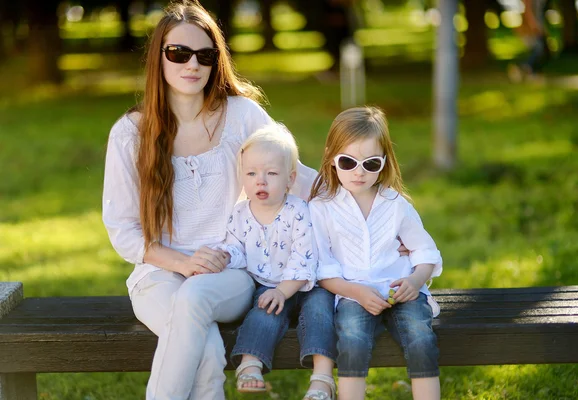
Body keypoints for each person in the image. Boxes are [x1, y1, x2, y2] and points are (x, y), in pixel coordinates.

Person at [101, 1, 317, 399]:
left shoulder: (242, 116)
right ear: (159, 59)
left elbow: (299, 178)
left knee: (196, 298)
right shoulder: (130, 133)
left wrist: (371, 210)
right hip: (158, 274)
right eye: (179, 53)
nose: (192, 64)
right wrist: (183, 262)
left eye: (205, 55)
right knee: (207, 350)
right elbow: (123, 230)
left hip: (229, 271)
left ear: (217, 61)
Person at [308, 106, 443, 400]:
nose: (359, 172)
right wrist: (355, 292)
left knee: (421, 339)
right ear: (331, 158)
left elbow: (426, 251)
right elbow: (322, 269)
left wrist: (416, 281)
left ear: (383, 162)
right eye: (348, 161)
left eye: (370, 164)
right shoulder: (321, 208)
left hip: (402, 290)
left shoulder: (395, 204)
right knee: (353, 341)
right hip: (352, 294)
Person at [224, 125, 337, 400]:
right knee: (263, 311)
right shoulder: (239, 214)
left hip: (308, 286)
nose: (260, 181)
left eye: (271, 173)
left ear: (290, 179)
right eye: (251, 173)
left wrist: (283, 291)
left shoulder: (298, 210)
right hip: (268, 285)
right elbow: (236, 249)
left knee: (320, 314)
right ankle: (251, 364)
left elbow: (304, 257)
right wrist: (225, 255)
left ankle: (322, 378)